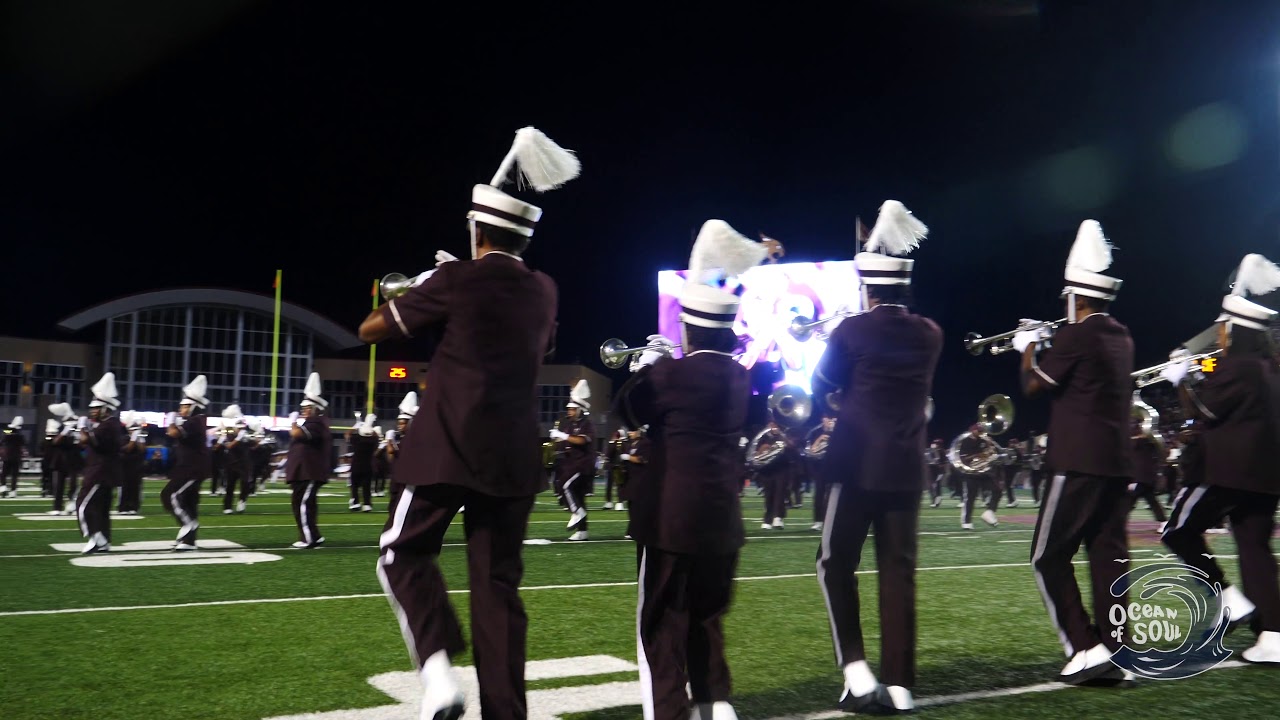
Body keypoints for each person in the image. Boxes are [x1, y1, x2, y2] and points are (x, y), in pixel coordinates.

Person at [357, 125, 572, 720]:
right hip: (513, 458)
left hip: (445, 446)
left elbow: (371, 330)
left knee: (400, 554)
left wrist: (431, 285)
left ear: (476, 228)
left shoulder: (452, 281)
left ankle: (437, 671)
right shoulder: (544, 290)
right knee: (497, 589)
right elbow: (538, 341)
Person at [616, 218, 778, 720]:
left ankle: (668, 711)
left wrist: (647, 366)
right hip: (722, 520)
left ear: (687, 325)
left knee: (661, 622)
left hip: (668, 518)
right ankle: (715, 705)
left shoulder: (669, 373)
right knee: (707, 617)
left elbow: (626, 411)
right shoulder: (741, 380)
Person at [812, 200, 940, 714]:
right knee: (898, 572)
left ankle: (858, 673)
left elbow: (824, 383)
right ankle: (902, 684)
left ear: (868, 284)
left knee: (833, 563)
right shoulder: (930, 333)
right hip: (907, 467)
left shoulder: (851, 331)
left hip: (854, 463)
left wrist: (835, 334)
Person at [1018, 219, 1133, 685]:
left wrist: (1026, 349)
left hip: (1077, 462)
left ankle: (1084, 647)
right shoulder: (1120, 335)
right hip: (1116, 464)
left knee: (1046, 557)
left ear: (1077, 296)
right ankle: (1119, 650)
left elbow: (1032, 385)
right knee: (1110, 557)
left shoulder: (1077, 334)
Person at [1160, 253, 1280, 663]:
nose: (1219, 332)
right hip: (1266, 474)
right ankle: (1274, 637)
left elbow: (1200, 410)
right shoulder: (1269, 365)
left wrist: (1183, 379)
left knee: (1176, 532)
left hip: (1225, 470)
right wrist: (1196, 370)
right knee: (1255, 550)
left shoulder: (1238, 366)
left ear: (1235, 326)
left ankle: (1229, 597)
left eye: (1223, 325)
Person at [74, 373, 124, 554]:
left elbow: (94, 442)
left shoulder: (109, 425)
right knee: (101, 509)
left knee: (83, 505)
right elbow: (84, 442)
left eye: (97, 408)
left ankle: (96, 538)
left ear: (106, 408)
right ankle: (104, 541)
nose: (92, 411)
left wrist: (84, 429)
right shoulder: (107, 424)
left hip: (100, 472)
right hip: (102, 471)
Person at [163, 375, 211, 551]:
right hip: (189, 467)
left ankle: (188, 524)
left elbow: (174, 433)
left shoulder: (195, 421)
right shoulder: (194, 420)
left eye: (184, 406)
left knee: (170, 495)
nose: (181, 409)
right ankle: (189, 540)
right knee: (188, 501)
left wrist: (171, 421)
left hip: (193, 468)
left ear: (193, 406)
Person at [287, 373, 332, 549]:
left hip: (309, 471)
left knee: (302, 504)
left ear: (316, 408)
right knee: (306, 504)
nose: (304, 410)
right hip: (304, 471)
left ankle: (308, 538)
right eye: (304, 408)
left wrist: (293, 423)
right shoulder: (313, 422)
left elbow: (297, 434)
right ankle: (314, 535)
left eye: (308, 407)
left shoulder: (316, 422)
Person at [550, 380, 595, 540]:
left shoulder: (586, 424)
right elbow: (566, 441)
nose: (568, 412)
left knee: (564, 484)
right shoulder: (569, 425)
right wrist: (557, 441)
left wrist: (563, 436)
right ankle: (583, 531)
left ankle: (577, 512)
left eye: (572, 409)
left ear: (579, 409)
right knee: (578, 495)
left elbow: (582, 441)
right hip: (572, 464)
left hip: (583, 465)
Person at [956, 424, 1001, 530]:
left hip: (984, 472)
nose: (981, 432)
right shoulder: (965, 441)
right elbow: (963, 459)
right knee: (970, 498)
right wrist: (979, 455)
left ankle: (989, 512)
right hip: (970, 472)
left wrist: (991, 446)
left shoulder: (984, 440)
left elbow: (992, 454)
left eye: (981, 430)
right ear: (972, 430)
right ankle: (966, 522)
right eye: (978, 430)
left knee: (998, 490)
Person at [47, 402, 82, 515]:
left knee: (73, 484)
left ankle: (71, 503)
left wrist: (76, 435)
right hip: (60, 460)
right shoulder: (60, 428)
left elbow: (82, 446)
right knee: (58, 486)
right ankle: (57, 508)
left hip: (73, 460)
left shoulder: (77, 430)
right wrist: (65, 431)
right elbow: (54, 442)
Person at [222, 405, 252, 514]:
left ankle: (242, 501)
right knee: (230, 486)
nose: (240, 430)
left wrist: (248, 437)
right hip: (231, 464)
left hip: (244, 464)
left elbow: (254, 445)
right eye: (238, 428)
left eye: (241, 428)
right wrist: (238, 438)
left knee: (245, 484)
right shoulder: (229, 435)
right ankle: (227, 506)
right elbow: (228, 445)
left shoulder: (246, 437)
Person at [346, 413, 378, 512]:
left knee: (354, 486)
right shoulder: (373, 440)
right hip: (368, 466)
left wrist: (356, 425)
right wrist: (369, 426)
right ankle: (367, 504)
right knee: (366, 487)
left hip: (356, 466)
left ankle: (355, 503)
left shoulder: (357, 439)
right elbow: (376, 435)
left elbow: (347, 435)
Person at [117, 411, 147, 515]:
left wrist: (139, 437)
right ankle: (123, 507)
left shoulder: (139, 439)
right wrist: (134, 438)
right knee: (124, 488)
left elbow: (142, 450)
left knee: (135, 488)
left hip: (137, 468)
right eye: (132, 429)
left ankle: (134, 507)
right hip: (125, 467)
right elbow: (128, 449)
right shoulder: (123, 438)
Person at [2, 417, 24, 498]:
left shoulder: (7, 436)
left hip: (7, 457)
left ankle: (3, 487)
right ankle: (13, 491)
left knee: (4, 474)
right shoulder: (20, 436)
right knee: (14, 476)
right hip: (16, 458)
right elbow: (23, 444)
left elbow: (2, 441)